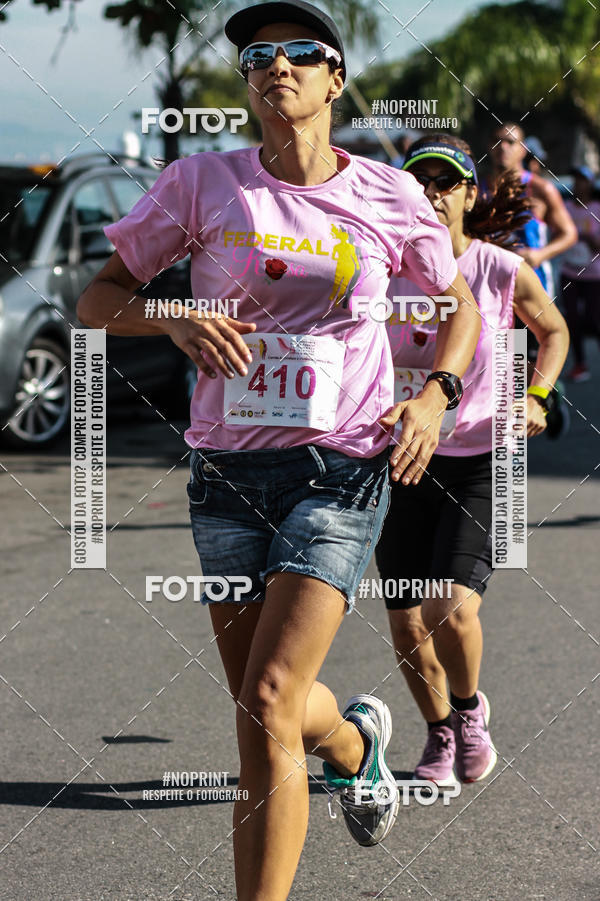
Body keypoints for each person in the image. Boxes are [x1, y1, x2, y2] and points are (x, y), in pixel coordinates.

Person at [76, 3, 481, 897]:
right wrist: (173, 315)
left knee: (266, 699)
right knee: (270, 709)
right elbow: (97, 300)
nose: (276, 65)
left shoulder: (388, 193)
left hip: (342, 468)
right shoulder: (199, 183)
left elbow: (459, 308)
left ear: (335, 79)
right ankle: (358, 742)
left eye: (301, 52)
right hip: (226, 474)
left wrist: (436, 396)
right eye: (258, 55)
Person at [376, 134, 569, 786]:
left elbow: (554, 331)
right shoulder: (383, 269)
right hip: (402, 460)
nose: (431, 193)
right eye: (420, 181)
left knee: (449, 609)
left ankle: (468, 710)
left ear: (469, 194)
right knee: (407, 621)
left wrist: (538, 396)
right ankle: (438, 730)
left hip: (483, 457)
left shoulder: (499, 268)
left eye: (446, 182)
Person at [487, 123, 577, 297]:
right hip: (490, 286)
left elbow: (569, 233)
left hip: (533, 287)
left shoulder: (540, 189)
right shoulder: (477, 190)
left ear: (522, 150)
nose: (502, 147)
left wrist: (540, 255)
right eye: (497, 141)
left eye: (510, 142)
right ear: (489, 147)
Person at [561, 165, 600, 381]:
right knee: (572, 320)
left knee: (594, 320)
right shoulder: (565, 207)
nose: (578, 184)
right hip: (569, 273)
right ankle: (580, 364)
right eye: (576, 179)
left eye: (583, 180)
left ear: (591, 183)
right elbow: (556, 235)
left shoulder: (597, 208)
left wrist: (584, 237)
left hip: (594, 274)